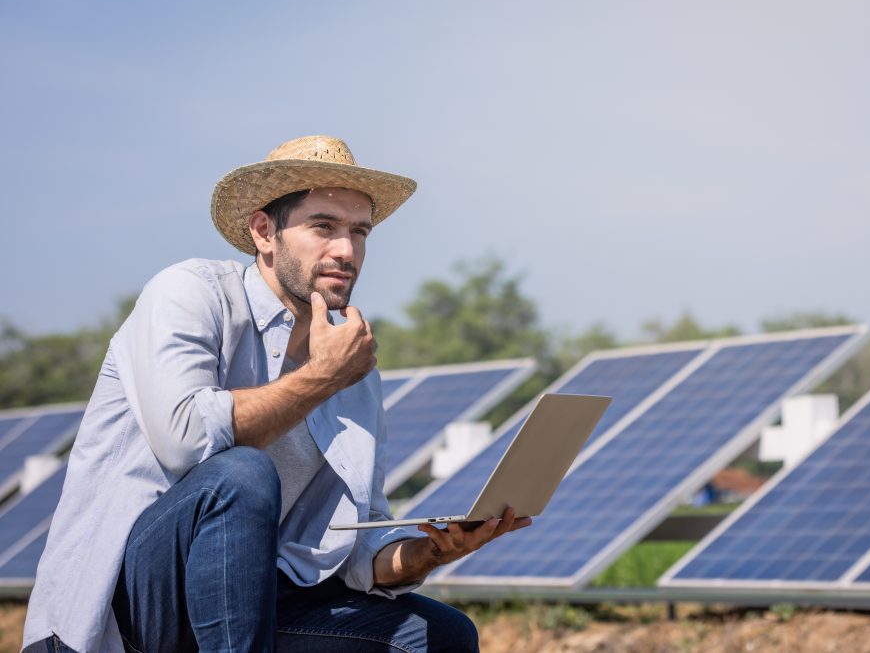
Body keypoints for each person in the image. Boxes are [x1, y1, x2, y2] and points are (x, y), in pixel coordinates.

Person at [23, 135, 530, 652]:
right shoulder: (190, 293)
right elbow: (186, 440)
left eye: (359, 232)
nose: (345, 250)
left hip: (257, 597)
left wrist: (430, 553)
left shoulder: (354, 366)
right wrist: (323, 377)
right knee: (241, 473)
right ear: (264, 231)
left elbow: (358, 543)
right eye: (323, 227)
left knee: (440, 636)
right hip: (131, 601)